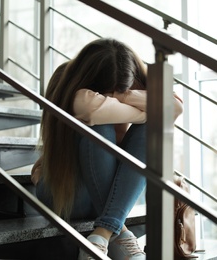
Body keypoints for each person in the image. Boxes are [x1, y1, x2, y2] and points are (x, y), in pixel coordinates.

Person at [31, 38, 183, 260]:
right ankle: (117, 231)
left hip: (112, 192)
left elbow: (176, 107)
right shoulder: (68, 83)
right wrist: (152, 110)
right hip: (67, 194)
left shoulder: (135, 82)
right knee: (101, 126)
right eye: (106, 92)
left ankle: (101, 234)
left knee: (154, 128)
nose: (113, 95)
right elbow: (91, 110)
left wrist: (125, 96)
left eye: (121, 89)